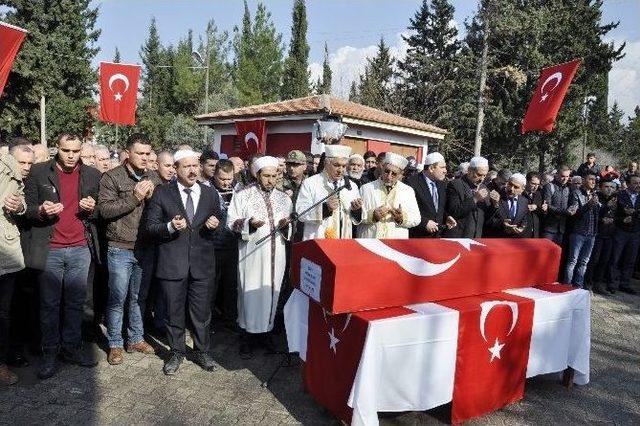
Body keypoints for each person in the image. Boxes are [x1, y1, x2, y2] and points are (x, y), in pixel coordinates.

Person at [23, 134, 101, 379]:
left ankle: (71, 348)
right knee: (49, 305)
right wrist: (41, 211)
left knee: (76, 303)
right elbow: (26, 208)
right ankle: (49, 354)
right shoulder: (38, 171)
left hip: (80, 247)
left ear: (81, 151)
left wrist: (93, 207)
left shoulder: (92, 174)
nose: (70, 155)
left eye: (75, 151)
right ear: (58, 149)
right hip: (51, 248)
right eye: (66, 150)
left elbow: (100, 210)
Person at [146, 149, 221, 375]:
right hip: (172, 263)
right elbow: (150, 227)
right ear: (176, 169)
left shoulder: (209, 194)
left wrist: (215, 225)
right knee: (173, 312)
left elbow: (218, 226)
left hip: (202, 264)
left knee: (201, 313)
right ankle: (176, 351)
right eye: (186, 166)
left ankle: (201, 351)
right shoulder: (162, 193)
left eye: (195, 166)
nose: (192, 170)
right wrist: (169, 227)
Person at [98, 134, 161, 365]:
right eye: (140, 153)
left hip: (145, 247)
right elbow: (104, 210)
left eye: (148, 153)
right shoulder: (112, 177)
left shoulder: (154, 177)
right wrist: (135, 197)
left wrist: (154, 198)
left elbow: (162, 208)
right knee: (117, 298)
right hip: (119, 247)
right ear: (128, 153)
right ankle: (114, 343)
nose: (145, 158)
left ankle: (135, 337)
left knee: (138, 297)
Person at [227, 156, 292, 358]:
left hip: (277, 253)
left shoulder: (284, 198)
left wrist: (286, 225)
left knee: (272, 291)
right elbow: (230, 223)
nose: (271, 180)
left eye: (274, 176)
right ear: (257, 174)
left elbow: (291, 226)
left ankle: (266, 335)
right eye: (266, 176)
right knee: (250, 292)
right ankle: (247, 338)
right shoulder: (243, 195)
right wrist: (248, 223)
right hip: (252, 254)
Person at [296, 145, 363, 240]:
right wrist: (325, 208)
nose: (340, 170)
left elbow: (355, 219)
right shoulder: (311, 183)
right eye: (336, 165)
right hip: (318, 239)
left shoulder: (351, 186)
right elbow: (301, 213)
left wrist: (357, 210)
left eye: (344, 166)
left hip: (343, 240)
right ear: (326, 163)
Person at [0, 151, 27, 385]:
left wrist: (18, 206)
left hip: (4, 252)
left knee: (2, 313)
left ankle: (1, 365)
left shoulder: (9, 166)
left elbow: (21, 201)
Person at [358, 152, 420, 238]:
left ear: (400, 174)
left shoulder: (408, 191)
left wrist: (401, 218)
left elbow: (416, 218)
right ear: (382, 169)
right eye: (387, 171)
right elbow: (356, 215)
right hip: (371, 241)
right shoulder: (366, 188)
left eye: (394, 173)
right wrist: (373, 215)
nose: (389, 176)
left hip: (395, 244)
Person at [210, 160, 239, 331]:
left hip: (233, 245)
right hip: (212, 246)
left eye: (229, 179)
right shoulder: (206, 190)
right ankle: (207, 322)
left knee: (231, 285)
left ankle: (230, 320)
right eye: (222, 179)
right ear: (215, 175)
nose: (226, 183)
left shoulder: (238, 189)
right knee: (211, 286)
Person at [564, 171, 600, 288]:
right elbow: (575, 214)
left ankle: (578, 286)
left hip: (591, 234)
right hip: (578, 232)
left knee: (584, 262)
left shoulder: (595, 194)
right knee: (572, 261)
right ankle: (567, 286)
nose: (593, 181)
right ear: (584, 181)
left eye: (594, 179)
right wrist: (588, 205)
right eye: (590, 179)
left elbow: (597, 214)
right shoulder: (576, 193)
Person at [406, 152, 456, 238]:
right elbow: (406, 210)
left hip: (437, 238)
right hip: (418, 237)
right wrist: (424, 223)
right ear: (431, 168)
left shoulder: (442, 184)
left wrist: (446, 217)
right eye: (442, 167)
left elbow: (438, 209)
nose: (445, 171)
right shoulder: (412, 182)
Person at [608, 174, 640, 295]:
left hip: (635, 232)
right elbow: (612, 213)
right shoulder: (619, 195)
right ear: (628, 183)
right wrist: (622, 219)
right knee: (615, 257)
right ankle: (611, 283)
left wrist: (635, 212)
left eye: (639, 183)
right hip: (621, 231)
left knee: (630, 259)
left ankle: (624, 283)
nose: (638, 185)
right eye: (635, 183)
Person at [444, 156, 491, 238]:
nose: (482, 179)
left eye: (485, 175)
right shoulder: (455, 185)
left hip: (476, 237)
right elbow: (454, 211)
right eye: (479, 175)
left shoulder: (484, 188)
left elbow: (487, 216)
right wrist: (475, 199)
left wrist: (495, 204)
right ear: (469, 170)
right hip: (459, 236)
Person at [586, 178, 617, 294]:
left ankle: (598, 284)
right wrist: (605, 210)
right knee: (594, 260)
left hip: (609, 235)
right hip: (597, 233)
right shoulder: (596, 197)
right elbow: (593, 215)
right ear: (601, 187)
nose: (609, 189)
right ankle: (588, 283)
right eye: (607, 186)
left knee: (604, 260)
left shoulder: (615, 199)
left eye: (612, 187)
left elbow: (618, 216)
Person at [484, 173, 531, 238]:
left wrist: (522, 228)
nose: (511, 189)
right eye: (510, 184)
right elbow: (487, 220)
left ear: (522, 189)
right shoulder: (495, 196)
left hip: (514, 241)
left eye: (516, 187)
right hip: (496, 239)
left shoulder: (524, 201)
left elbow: (524, 220)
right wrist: (502, 224)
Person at [541, 165, 573, 245]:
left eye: (567, 176)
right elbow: (547, 205)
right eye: (563, 176)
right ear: (556, 175)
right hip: (549, 228)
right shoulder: (549, 186)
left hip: (561, 228)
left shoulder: (568, 188)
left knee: (557, 254)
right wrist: (564, 212)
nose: (565, 178)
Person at [523, 172, 546, 238]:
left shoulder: (539, 195)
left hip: (535, 232)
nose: (535, 187)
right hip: (522, 231)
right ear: (526, 182)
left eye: (538, 184)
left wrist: (541, 208)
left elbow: (543, 213)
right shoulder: (520, 193)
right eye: (533, 184)